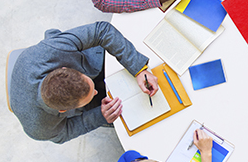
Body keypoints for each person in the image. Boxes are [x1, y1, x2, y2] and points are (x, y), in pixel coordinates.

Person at [10, 22, 158, 144]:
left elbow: (101, 30)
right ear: (63, 111)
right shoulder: (39, 128)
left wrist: (139, 68)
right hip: (81, 108)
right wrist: (100, 115)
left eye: (91, 89)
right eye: (92, 94)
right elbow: (64, 132)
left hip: (89, 63)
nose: (96, 93)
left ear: (64, 68)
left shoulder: (53, 49)